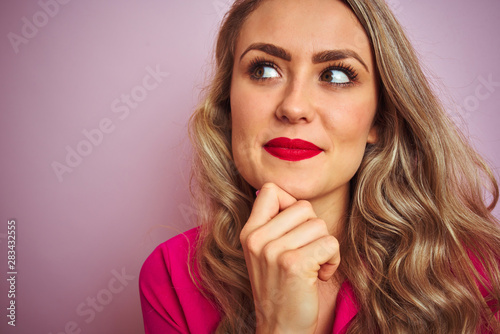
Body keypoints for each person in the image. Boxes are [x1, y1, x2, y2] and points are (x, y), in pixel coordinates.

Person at [139, 0, 500, 333]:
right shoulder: (172, 277)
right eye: (264, 70)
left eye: (336, 76)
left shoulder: (476, 273)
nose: (294, 107)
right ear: (228, 103)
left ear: (380, 119)